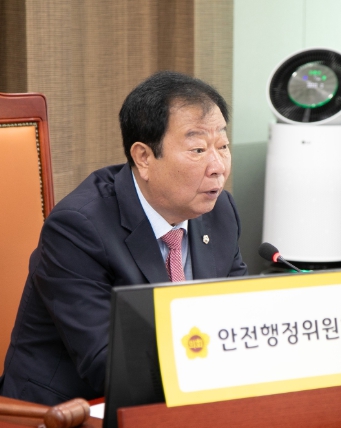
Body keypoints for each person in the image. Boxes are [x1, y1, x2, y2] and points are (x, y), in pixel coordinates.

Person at [0, 71, 248, 405]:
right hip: (65, 410)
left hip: (177, 398)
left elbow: (237, 319)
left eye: (223, 146)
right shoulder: (78, 228)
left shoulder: (219, 211)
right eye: (198, 149)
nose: (218, 166)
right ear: (143, 157)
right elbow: (106, 362)